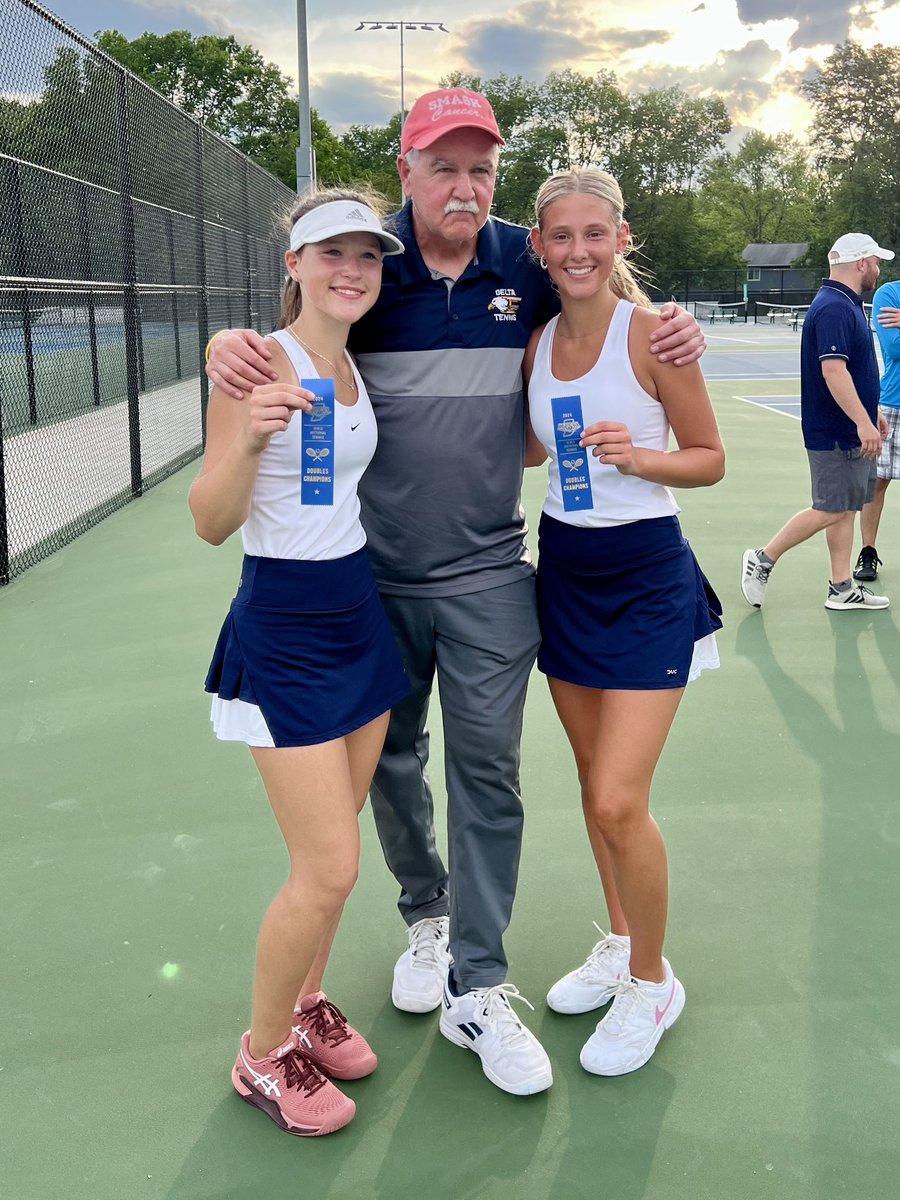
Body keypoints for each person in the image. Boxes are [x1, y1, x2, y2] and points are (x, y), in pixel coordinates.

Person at [205, 88, 707, 1097]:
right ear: (406, 170)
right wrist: (229, 347)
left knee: (489, 776)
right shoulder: (363, 260)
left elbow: (594, 269)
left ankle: (480, 985)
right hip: (367, 582)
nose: (464, 185)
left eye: (481, 167)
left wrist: (669, 327)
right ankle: (425, 921)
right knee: (391, 765)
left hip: (489, 577)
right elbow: (291, 333)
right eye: (444, 166)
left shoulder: (524, 255)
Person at [189, 189, 410, 1136]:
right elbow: (209, 519)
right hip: (282, 624)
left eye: (366, 256)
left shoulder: (352, 365)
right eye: (331, 254)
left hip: (358, 611)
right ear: (294, 265)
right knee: (325, 868)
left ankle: (306, 1009)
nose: (351, 270)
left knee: (341, 849)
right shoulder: (252, 364)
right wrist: (247, 437)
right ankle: (261, 1053)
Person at [522, 167, 724, 1075]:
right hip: (564, 569)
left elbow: (709, 459)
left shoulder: (655, 336)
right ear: (539, 248)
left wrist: (641, 457)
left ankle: (652, 981)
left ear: (622, 239)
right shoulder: (532, 347)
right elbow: (526, 444)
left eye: (593, 235)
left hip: (645, 577)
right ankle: (617, 941)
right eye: (560, 237)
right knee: (587, 776)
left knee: (618, 796)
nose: (577, 252)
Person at [741, 233, 894, 612]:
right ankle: (763, 559)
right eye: (875, 261)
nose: (877, 268)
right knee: (829, 507)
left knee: (844, 507)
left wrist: (870, 410)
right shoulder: (834, 309)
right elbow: (834, 371)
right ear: (861, 263)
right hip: (836, 433)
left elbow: (855, 370)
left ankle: (841, 588)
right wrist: (862, 422)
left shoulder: (845, 304)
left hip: (846, 429)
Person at [852, 277, 900, 581]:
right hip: (893, 405)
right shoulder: (889, 294)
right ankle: (868, 552)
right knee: (876, 483)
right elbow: (895, 349)